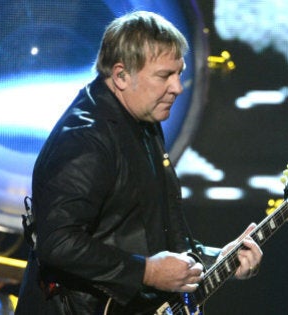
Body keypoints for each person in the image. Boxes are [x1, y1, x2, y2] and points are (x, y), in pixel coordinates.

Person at [15, 11, 262, 314]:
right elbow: (57, 243)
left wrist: (214, 259)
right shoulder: (84, 140)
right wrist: (147, 272)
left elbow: (156, 235)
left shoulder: (143, 121)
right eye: (164, 76)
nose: (177, 87)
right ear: (120, 76)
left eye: (179, 73)